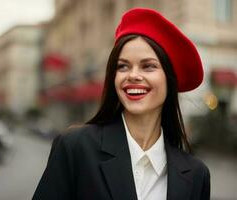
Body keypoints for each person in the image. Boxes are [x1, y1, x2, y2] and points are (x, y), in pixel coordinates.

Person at [32, 7, 210, 200]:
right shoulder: (75, 147)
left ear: (169, 79)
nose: (133, 75)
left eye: (148, 66)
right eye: (123, 66)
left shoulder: (196, 174)